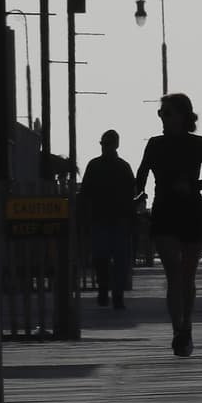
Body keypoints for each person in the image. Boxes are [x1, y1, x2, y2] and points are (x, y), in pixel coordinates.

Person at [134, 93, 202, 357]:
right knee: (174, 274)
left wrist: (193, 185)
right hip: (163, 212)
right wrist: (135, 195)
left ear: (183, 115)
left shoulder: (198, 144)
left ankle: (187, 325)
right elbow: (141, 175)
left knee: (187, 275)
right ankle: (178, 330)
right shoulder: (154, 144)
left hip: (191, 212)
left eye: (167, 113)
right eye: (161, 113)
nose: (163, 118)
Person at [78, 129, 137, 309]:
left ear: (115, 145)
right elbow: (85, 194)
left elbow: (130, 195)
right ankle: (106, 292)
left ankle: (114, 295)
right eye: (104, 144)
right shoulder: (104, 166)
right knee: (103, 260)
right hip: (102, 220)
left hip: (115, 221)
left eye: (108, 144)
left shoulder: (113, 166)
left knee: (115, 261)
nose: (106, 147)